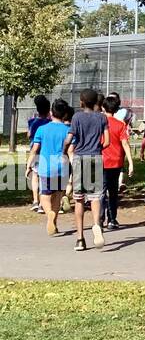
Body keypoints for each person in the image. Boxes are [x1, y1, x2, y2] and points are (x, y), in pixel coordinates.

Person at [65, 89, 108, 251]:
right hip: (95, 157)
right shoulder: (101, 117)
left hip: (79, 158)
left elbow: (69, 138)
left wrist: (64, 150)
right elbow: (107, 141)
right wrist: (97, 148)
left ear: (82, 102)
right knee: (95, 196)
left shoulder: (77, 117)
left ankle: (80, 238)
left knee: (79, 199)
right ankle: (97, 224)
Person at [29, 99, 72, 237]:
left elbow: (34, 149)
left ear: (51, 112)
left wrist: (29, 165)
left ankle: (49, 216)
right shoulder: (68, 131)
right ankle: (55, 224)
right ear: (65, 114)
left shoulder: (42, 129)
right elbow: (71, 151)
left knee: (45, 195)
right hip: (62, 167)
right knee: (57, 196)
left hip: (46, 167)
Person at [99, 93, 134, 230]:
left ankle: (99, 219)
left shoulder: (99, 122)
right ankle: (112, 219)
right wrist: (130, 162)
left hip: (100, 160)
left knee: (100, 191)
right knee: (113, 191)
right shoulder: (120, 124)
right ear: (116, 109)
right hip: (115, 162)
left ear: (103, 107)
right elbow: (125, 143)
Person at [25, 95, 52, 213]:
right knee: (44, 178)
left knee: (35, 176)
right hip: (46, 152)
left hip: (35, 151)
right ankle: (42, 202)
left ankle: (35, 201)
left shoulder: (32, 121)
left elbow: (29, 134)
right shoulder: (50, 123)